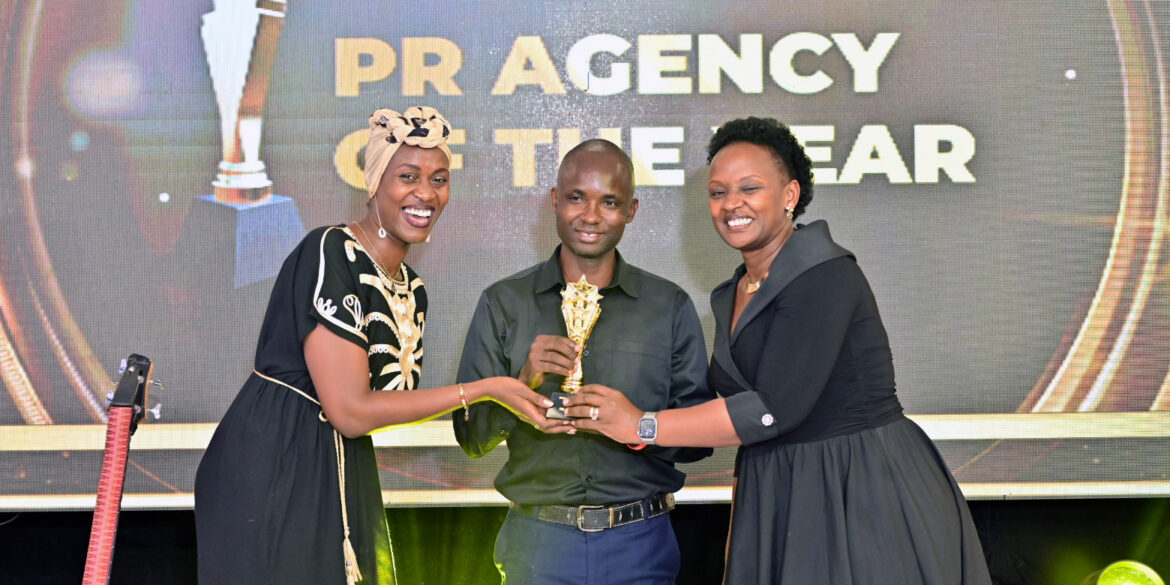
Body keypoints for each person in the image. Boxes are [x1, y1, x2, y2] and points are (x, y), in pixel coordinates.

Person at [566, 118, 992, 584]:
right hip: (779, 488)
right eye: (718, 192)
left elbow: (769, 410)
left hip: (860, 490)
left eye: (749, 188)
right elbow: (741, 417)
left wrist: (642, 424)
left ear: (790, 195)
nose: (731, 204)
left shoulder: (823, 274)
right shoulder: (734, 291)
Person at [194, 106, 554, 585]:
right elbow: (349, 411)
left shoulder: (412, 288)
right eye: (408, 176)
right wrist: (481, 389)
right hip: (274, 465)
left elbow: (382, 407)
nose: (426, 193)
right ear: (375, 182)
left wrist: (508, 387)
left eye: (440, 179)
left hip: (341, 463)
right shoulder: (331, 250)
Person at [453, 139, 714, 585]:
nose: (591, 216)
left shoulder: (667, 306)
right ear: (556, 200)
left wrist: (636, 428)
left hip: (640, 541)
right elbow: (472, 438)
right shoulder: (505, 303)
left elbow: (699, 438)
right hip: (538, 542)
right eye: (577, 198)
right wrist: (521, 384)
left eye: (609, 202)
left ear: (631, 210)